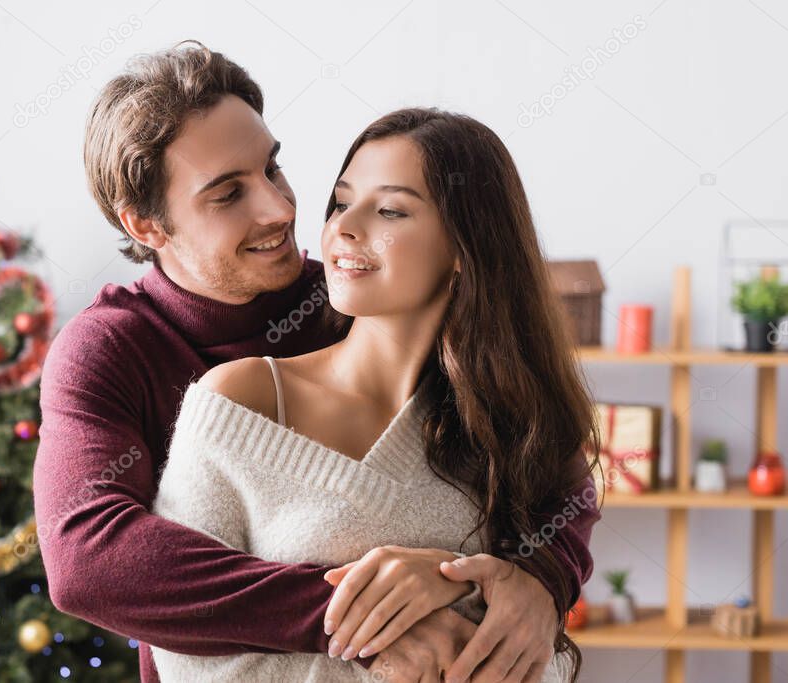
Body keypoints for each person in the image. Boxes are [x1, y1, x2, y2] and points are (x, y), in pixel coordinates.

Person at [33, 41, 601, 683]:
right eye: (228, 194)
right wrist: (360, 620)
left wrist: (539, 579)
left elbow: (546, 457)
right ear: (147, 226)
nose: (280, 209)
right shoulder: (109, 349)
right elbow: (90, 559)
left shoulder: (356, 292)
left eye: (272, 170)